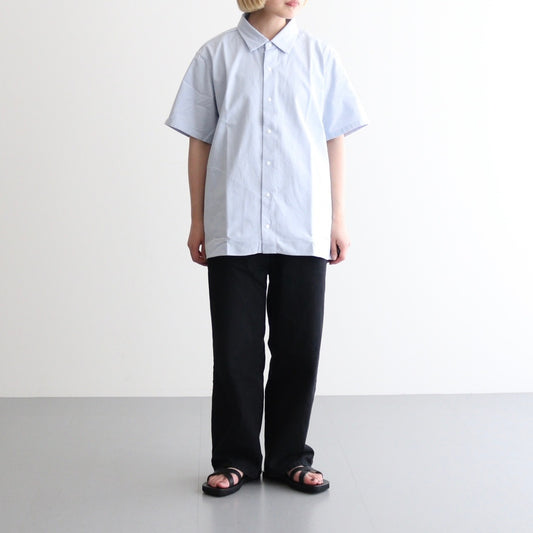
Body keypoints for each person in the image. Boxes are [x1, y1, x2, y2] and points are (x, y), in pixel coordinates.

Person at [164, 0, 368, 496]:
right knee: (235, 349)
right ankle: (235, 458)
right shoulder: (215, 56)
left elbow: (335, 138)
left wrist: (338, 218)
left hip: (303, 224)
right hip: (233, 223)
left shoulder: (321, 57)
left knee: (299, 348)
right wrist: (198, 220)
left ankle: (289, 457)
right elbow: (199, 142)